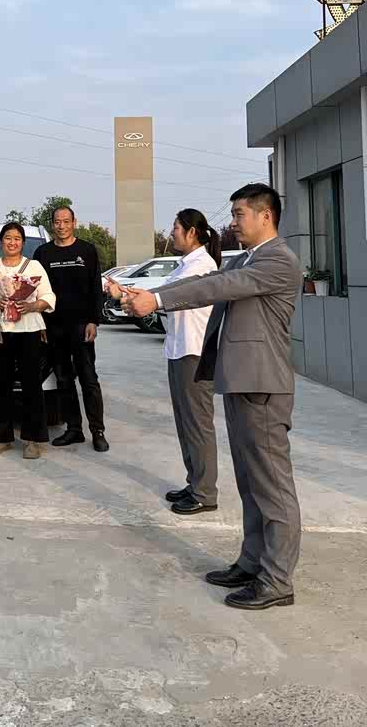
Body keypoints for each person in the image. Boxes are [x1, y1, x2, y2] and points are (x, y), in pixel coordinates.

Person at [122, 183, 303, 611]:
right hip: (240, 382)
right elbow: (210, 280)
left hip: (263, 386)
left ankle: (277, 579)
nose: (233, 222)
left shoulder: (279, 260)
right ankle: (252, 562)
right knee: (249, 482)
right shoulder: (247, 258)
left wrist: (157, 299)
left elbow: (219, 287)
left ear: (266, 216)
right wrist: (152, 296)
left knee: (272, 486)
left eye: (239, 214)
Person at [110, 208, 221, 513]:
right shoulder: (185, 264)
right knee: (185, 423)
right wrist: (128, 294)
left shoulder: (203, 266)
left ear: (192, 232)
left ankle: (205, 492)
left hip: (194, 352)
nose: (172, 233)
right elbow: (161, 293)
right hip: (179, 350)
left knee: (197, 424)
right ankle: (194, 482)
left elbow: (172, 295)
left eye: (176, 228)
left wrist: (136, 297)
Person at [0, 222, 56, 459]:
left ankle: (33, 440)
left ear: (23, 243)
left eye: (17, 238)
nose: (12, 242)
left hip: (29, 330)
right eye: (8, 238)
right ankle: (2, 438)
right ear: (1, 242)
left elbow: (48, 296)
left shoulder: (34, 267)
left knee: (32, 385)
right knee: (2, 384)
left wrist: (32, 306)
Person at [34, 206, 108, 452]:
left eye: (66, 221)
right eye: (58, 222)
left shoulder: (87, 251)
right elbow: (37, 291)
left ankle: (97, 431)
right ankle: (74, 429)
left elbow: (96, 287)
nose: (62, 226)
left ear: (74, 222)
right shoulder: (43, 253)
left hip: (81, 326)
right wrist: (41, 323)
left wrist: (94, 321)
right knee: (64, 379)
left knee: (89, 379)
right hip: (54, 327)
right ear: (52, 224)